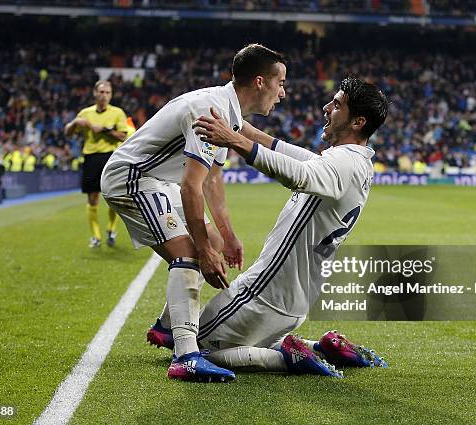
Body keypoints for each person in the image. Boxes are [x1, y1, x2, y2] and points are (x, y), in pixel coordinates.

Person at [148, 77, 389, 377]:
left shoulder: (342, 162)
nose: (327, 108)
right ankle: (321, 347)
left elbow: (297, 173)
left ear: (358, 121)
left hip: (264, 293)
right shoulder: (356, 162)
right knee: (234, 339)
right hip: (295, 299)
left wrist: (234, 140)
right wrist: (240, 126)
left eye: (337, 104)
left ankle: (288, 359)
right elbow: (283, 149)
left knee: (190, 344)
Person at [100, 44, 287, 382]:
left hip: (156, 180)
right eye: (281, 83)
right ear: (260, 82)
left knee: (210, 241)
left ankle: (168, 327)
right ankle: (185, 356)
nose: (283, 93)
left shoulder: (227, 114)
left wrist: (226, 237)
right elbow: (191, 187)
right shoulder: (212, 109)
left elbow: (213, 180)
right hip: (133, 178)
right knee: (191, 254)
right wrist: (202, 251)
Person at [65, 80, 128, 248]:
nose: (104, 95)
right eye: (101, 92)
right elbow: (68, 132)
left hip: (111, 156)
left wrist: (105, 130)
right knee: (93, 198)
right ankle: (96, 236)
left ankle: (111, 229)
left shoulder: (117, 113)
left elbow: (123, 136)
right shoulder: (85, 113)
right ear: (94, 93)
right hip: (91, 157)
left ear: (111, 95)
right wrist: (75, 123)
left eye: (107, 92)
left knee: (114, 197)